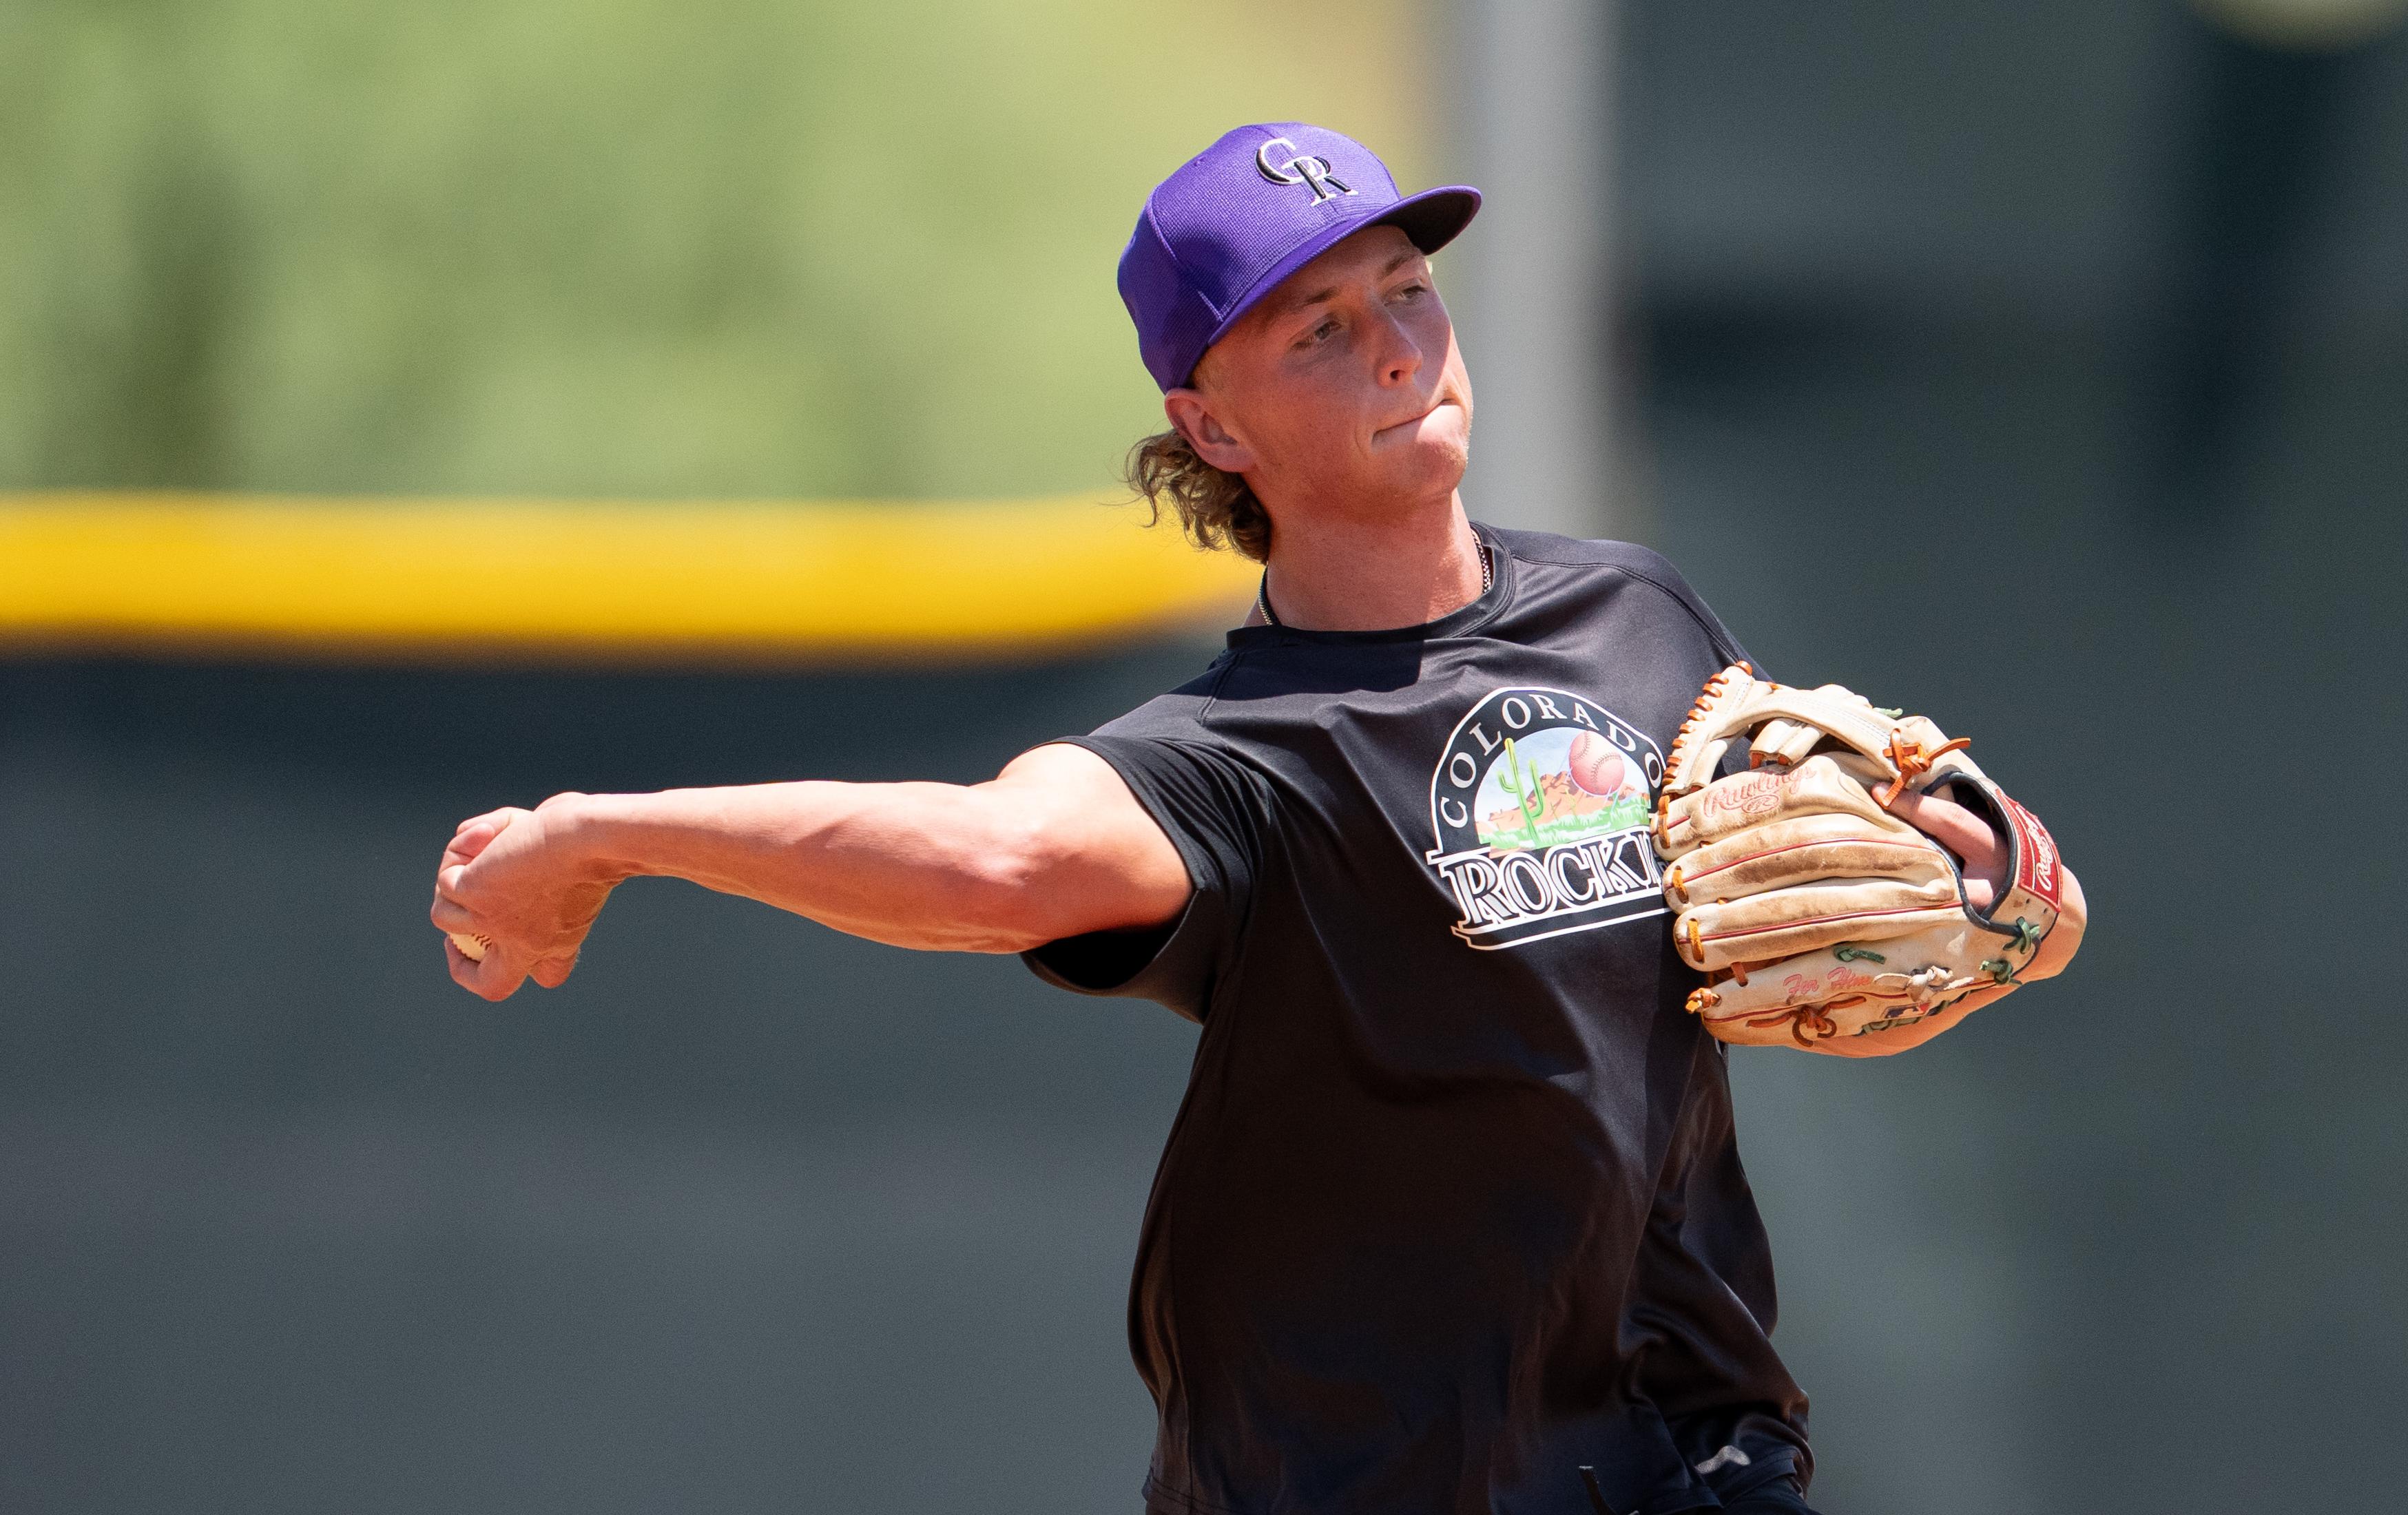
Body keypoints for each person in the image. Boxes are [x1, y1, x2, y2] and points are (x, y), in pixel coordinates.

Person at [430, 123, 2087, 1515]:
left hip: (1694, 1456)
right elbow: (1004, 862)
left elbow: (1828, 841)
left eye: (1409, 292)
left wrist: (1970, 864)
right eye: (1315, 327)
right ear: (1210, 429)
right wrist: (603, 829)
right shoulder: (1241, 750)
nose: (1392, 345)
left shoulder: (1638, 618)